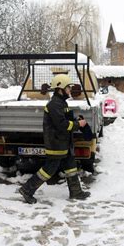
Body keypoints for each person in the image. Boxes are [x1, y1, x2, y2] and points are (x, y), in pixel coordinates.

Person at [19, 74, 91, 204]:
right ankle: (27, 189)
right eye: (68, 87)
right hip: (56, 143)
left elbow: (65, 120)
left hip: (63, 142)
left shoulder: (61, 103)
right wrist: (77, 125)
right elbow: (61, 125)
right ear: (60, 88)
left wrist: (76, 121)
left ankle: (76, 192)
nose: (70, 90)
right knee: (49, 170)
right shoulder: (54, 105)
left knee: (71, 166)